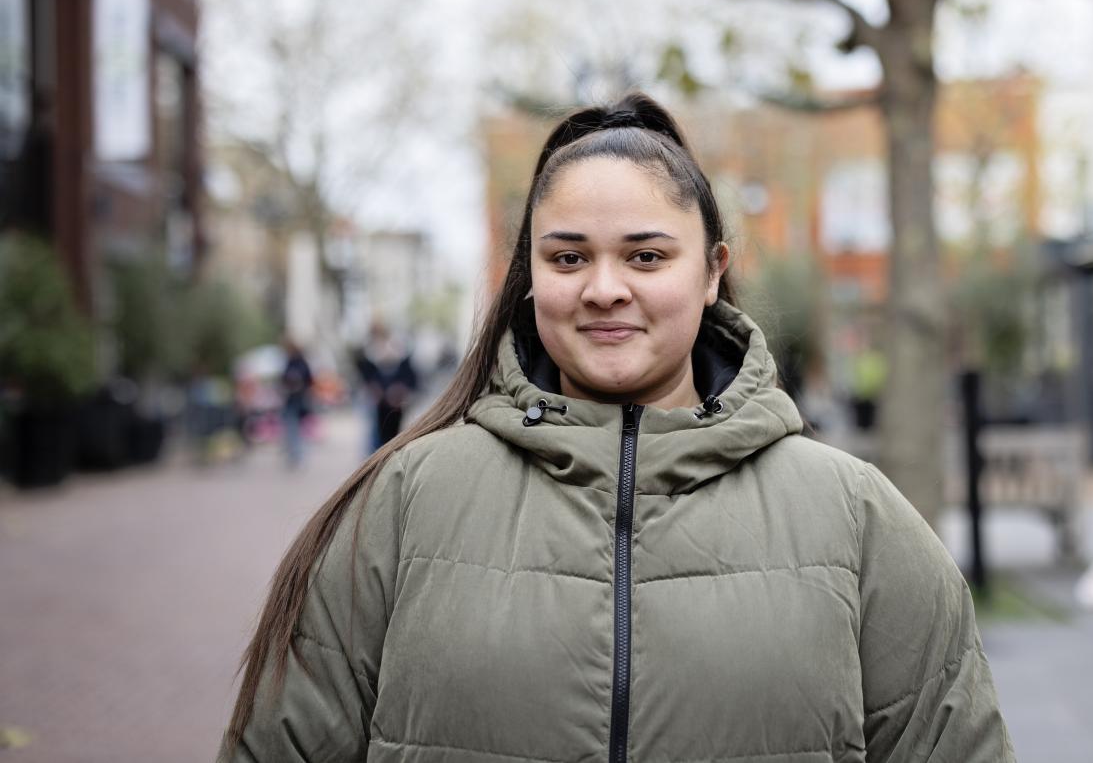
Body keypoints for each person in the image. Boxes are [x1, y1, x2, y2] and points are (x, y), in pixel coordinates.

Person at [220, 94, 1014, 762]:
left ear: (711, 272)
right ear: (529, 277)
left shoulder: (856, 516)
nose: (604, 288)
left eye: (645, 256)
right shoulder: (401, 504)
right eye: (568, 259)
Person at [354, 322, 419, 452]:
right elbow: (368, 377)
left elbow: (411, 378)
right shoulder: (371, 354)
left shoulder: (400, 354)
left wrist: (400, 391)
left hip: (396, 403)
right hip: (381, 403)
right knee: (379, 432)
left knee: (394, 432)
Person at [279, 338, 314, 469]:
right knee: (292, 428)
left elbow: (309, 380)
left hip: (298, 401)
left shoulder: (299, 363)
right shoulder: (290, 362)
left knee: (295, 429)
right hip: (291, 400)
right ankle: (294, 455)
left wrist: (299, 386)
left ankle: (297, 455)